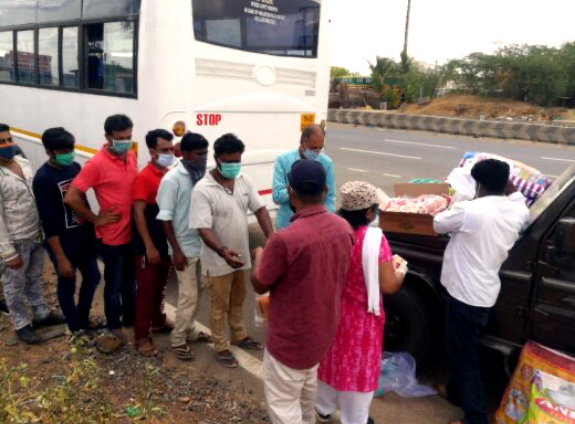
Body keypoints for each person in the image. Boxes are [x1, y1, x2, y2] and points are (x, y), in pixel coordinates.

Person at [251, 160, 355, 424]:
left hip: (290, 339)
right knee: (307, 397)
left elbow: (260, 283)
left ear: (290, 191)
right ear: (324, 191)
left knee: (285, 406)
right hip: (322, 333)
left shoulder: (285, 239)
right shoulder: (344, 229)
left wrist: (259, 256)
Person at [433, 159, 530, 424]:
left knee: (463, 356)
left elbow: (438, 224)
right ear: (506, 183)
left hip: (464, 294)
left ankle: (475, 417)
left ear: (478, 184)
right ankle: (455, 393)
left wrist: (459, 200)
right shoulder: (518, 211)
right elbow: (519, 198)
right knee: (464, 347)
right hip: (485, 292)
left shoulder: (469, 210)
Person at [315, 182, 407, 424]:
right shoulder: (375, 239)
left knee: (330, 359)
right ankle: (355, 419)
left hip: (332, 312)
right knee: (356, 368)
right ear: (368, 212)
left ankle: (323, 407)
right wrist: (402, 272)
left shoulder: (330, 231)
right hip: (360, 319)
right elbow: (388, 286)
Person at [190, 133, 274, 368]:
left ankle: (239, 335)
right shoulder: (202, 189)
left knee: (238, 298)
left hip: (242, 258)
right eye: (229, 162)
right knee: (219, 305)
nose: (234, 166)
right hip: (218, 260)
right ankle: (221, 346)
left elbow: (261, 210)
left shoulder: (244, 180)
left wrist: (273, 238)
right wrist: (223, 251)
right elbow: (203, 228)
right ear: (217, 159)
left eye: (237, 160)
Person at [65, 114, 138, 353]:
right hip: (113, 236)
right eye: (120, 138)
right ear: (107, 137)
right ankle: (114, 325)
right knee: (114, 284)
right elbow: (72, 197)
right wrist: (97, 219)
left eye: (128, 137)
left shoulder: (131, 156)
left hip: (132, 233)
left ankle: (130, 319)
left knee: (130, 282)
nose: (125, 142)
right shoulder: (96, 164)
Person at [32, 128, 101, 336]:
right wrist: (61, 259)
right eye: (62, 151)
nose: (68, 154)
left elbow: (82, 201)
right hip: (62, 243)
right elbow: (48, 222)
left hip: (83, 238)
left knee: (93, 277)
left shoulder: (75, 167)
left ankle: (82, 315)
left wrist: (94, 229)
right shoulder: (43, 178)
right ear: (49, 152)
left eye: (70, 149)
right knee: (67, 283)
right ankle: (75, 326)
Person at [0, 124, 65, 344]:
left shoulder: (23, 163)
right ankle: (21, 323)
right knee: (13, 284)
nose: (9, 145)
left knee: (34, 276)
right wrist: (8, 253)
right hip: (16, 239)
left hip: (37, 233)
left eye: (9, 140)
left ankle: (41, 314)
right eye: (2, 142)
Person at [157, 132, 212, 361]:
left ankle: (189, 329)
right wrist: (176, 250)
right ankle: (178, 338)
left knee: (198, 292)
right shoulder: (172, 180)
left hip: (202, 245)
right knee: (188, 295)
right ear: (186, 154)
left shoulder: (202, 174)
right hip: (184, 247)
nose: (203, 157)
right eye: (199, 153)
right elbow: (165, 218)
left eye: (205, 153)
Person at [131, 129, 176, 357]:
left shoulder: (167, 173)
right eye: (164, 150)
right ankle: (141, 337)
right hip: (148, 246)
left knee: (160, 288)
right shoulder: (144, 177)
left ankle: (158, 321)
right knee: (146, 292)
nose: (170, 153)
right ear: (152, 152)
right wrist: (149, 246)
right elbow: (138, 213)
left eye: (171, 148)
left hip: (165, 243)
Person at [272, 124, 336, 230]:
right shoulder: (283, 161)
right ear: (302, 142)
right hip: (288, 225)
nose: (317, 152)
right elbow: (277, 196)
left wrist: (325, 222)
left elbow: (330, 198)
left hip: (317, 226)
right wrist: (296, 191)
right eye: (313, 148)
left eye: (320, 148)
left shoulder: (326, 163)